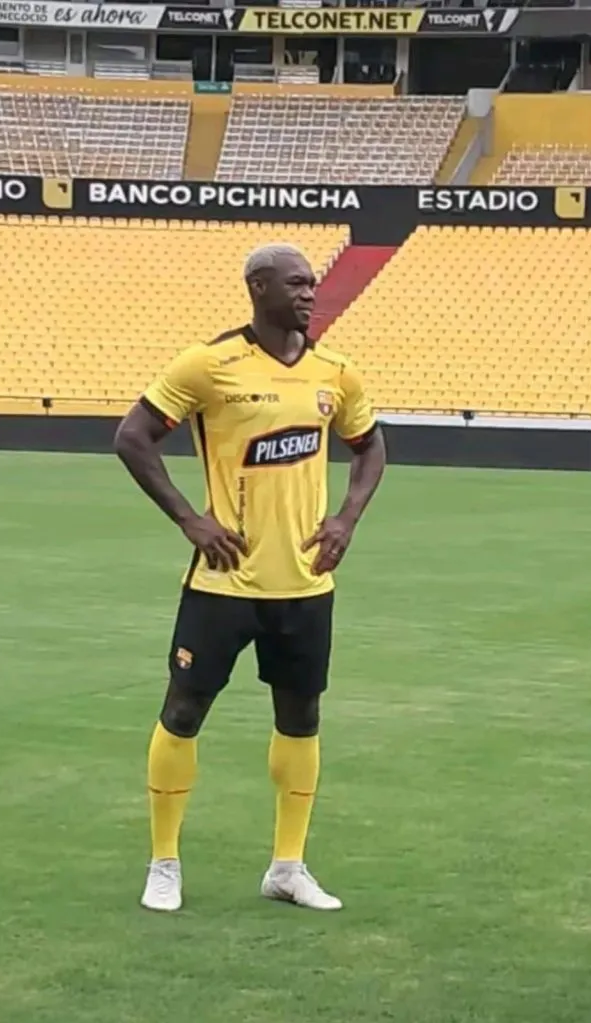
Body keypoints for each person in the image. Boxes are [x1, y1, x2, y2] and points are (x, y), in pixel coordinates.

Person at [114, 243, 386, 913]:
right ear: (257, 287)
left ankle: (287, 867)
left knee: (300, 719)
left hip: (304, 584)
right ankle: (164, 863)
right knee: (183, 711)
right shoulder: (210, 365)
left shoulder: (334, 371)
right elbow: (132, 436)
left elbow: (371, 445)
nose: (307, 293)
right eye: (294, 283)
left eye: (311, 283)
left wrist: (347, 518)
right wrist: (189, 519)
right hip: (223, 583)